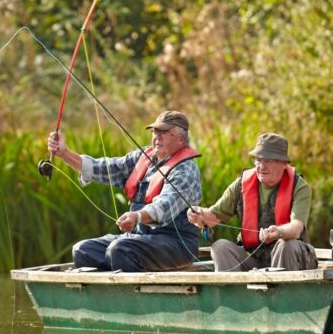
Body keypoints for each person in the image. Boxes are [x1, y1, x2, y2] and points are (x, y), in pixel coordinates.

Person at [46, 110, 202, 272]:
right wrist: (64, 153)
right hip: (139, 239)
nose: (157, 137)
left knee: (121, 249)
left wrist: (137, 216)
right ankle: (106, 295)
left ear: (181, 139)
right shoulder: (144, 157)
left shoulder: (186, 169)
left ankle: (137, 295)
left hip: (176, 244)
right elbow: (106, 169)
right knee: (83, 250)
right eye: (155, 132)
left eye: (165, 133)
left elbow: (165, 205)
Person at [187, 133, 316, 272]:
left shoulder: (299, 186)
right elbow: (212, 217)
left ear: (284, 163)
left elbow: (296, 229)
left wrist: (278, 232)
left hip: (292, 259)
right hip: (255, 259)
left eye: (268, 161)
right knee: (220, 247)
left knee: (287, 245)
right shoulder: (242, 184)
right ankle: (233, 293)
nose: (261, 166)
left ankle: (285, 293)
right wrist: (199, 215)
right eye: (258, 160)